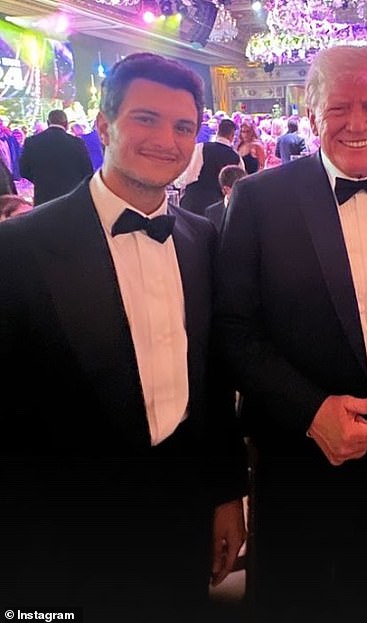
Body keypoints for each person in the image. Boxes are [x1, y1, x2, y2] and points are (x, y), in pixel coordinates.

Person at [0, 52, 247, 623]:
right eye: (146, 119)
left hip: (180, 515)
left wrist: (225, 493)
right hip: (62, 533)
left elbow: (213, 384)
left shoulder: (201, 238)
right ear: (105, 126)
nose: (167, 139)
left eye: (183, 126)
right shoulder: (19, 249)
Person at [214, 43, 367, 623]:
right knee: (292, 595)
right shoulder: (259, 198)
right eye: (339, 107)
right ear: (313, 111)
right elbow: (234, 329)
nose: (357, 123)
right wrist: (311, 410)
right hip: (300, 444)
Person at [19, 108, 93, 205]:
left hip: (43, 196)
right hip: (71, 196)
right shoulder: (77, 143)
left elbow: (23, 170)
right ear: (66, 124)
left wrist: (40, 178)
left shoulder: (32, 142)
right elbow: (87, 171)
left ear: (48, 122)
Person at [179, 117, 242, 215]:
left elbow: (189, 176)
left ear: (218, 131)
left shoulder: (201, 148)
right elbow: (239, 182)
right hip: (219, 208)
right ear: (232, 135)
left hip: (193, 202)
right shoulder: (236, 156)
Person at [205, 163, 247, 230]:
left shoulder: (254, 209)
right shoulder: (212, 212)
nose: (244, 192)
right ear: (225, 190)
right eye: (239, 189)